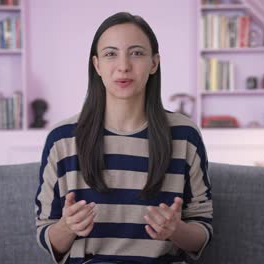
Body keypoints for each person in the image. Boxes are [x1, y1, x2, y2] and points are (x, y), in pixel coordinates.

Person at [35, 11, 212, 264]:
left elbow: (202, 228)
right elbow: (47, 235)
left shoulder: (185, 135)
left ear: (154, 63)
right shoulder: (62, 139)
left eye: (137, 53)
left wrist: (178, 231)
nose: (123, 66)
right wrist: (68, 226)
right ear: (97, 65)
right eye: (110, 54)